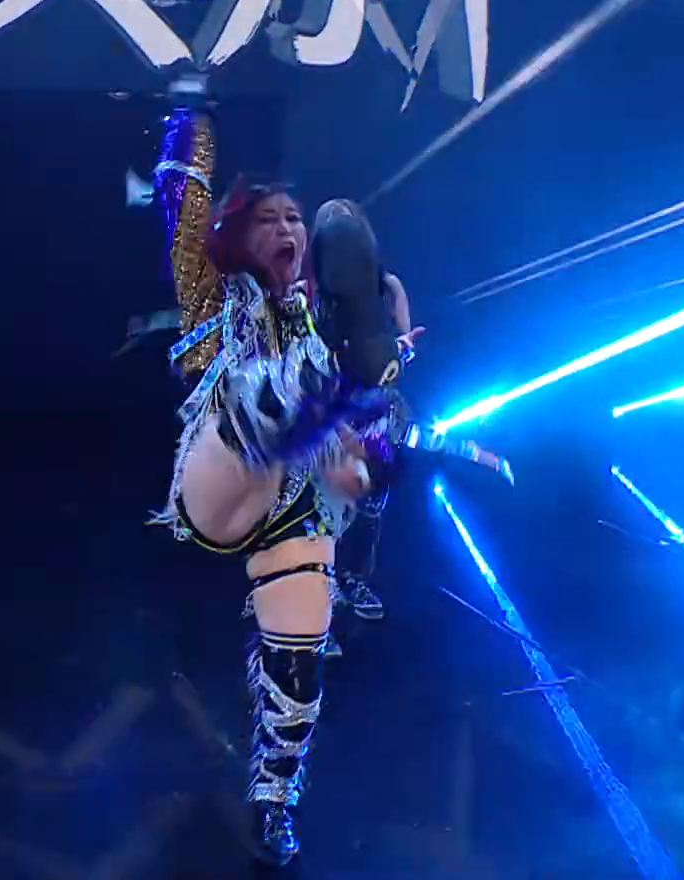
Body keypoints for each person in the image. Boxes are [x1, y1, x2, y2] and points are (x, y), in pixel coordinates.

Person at [148, 76, 401, 866]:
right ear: (239, 232)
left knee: (301, 656)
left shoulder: (318, 320)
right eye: (271, 217)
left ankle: (274, 800)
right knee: (280, 401)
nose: (289, 226)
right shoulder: (212, 290)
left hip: (295, 501)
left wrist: (367, 459)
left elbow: (355, 461)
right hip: (222, 476)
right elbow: (181, 199)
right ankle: (315, 408)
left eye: (296, 217)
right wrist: (192, 118)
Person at [311, 200, 423, 643]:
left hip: (375, 407)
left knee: (370, 506)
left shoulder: (383, 284)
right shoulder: (313, 294)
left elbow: (400, 328)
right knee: (325, 505)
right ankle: (318, 595)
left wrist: (403, 342)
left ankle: (352, 580)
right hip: (333, 410)